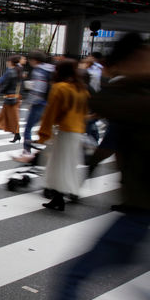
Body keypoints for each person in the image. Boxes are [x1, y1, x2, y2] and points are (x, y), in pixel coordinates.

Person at [9, 33, 150, 300]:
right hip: (136, 210)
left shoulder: (134, 98)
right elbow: (107, 139)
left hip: (140, 213)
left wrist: (122, 71)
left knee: (71, 277)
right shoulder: (133, 101)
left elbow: (105, 102)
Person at [36, 59, 89, 211]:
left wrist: (44, 132)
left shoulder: (60, 88)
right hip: (77, 130)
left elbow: (51, 112)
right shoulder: (81, 89)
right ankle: (60, 197)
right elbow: (84, 112)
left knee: (57, 164)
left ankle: (59, 197)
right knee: (66, 164)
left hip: (65, 130)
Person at [15, 51, 54, 162]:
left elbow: (38, 90)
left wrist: (30, 102)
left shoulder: (39, 71)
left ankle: (26, 152)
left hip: (39, 104)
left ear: (34, 60)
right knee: (48, 129)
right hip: (50, 104)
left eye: (30, 59)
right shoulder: (51, 69)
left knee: (28, 128)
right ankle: (50, 152)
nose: (28, 61)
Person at [0, 55, 22, 142]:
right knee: (3, 116)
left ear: (10, 62)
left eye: (8, 61)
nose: (6, 63)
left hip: (10, 97)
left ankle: (17, 134)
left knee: (12, 117)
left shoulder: (10, 72)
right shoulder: (17, 70)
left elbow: (5, 84)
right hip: (14, 97)